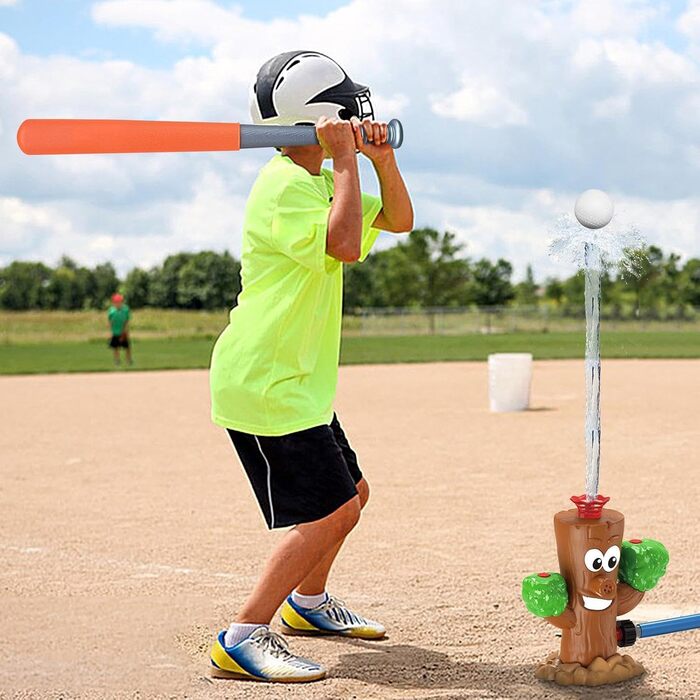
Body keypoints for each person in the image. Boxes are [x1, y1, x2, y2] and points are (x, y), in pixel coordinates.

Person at [208, 50, 413, 683]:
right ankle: (241, 637)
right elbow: (345, 244)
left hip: (298, 380)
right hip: (268, 381)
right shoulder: (285, 187)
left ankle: (309, 604)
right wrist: (349, 160)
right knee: (331, 511)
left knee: (352, 495)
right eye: (351, 109)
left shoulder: (322, 180)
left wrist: (379, 160)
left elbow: (399, 222)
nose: (361, 114)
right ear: (328, 117)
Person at [107, 293, 132, 366]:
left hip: (123, 332)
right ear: (114, 302)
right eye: (116, 302)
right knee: (116, 348)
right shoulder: (111, 311)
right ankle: (117, 361)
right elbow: (110, 322)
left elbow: (126, 321)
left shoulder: (125, 309)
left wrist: (125, 331)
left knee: (127, 347)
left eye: (120, 301)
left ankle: (128, 360)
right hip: (115, 332)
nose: (118, 303)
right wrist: (110, 332)